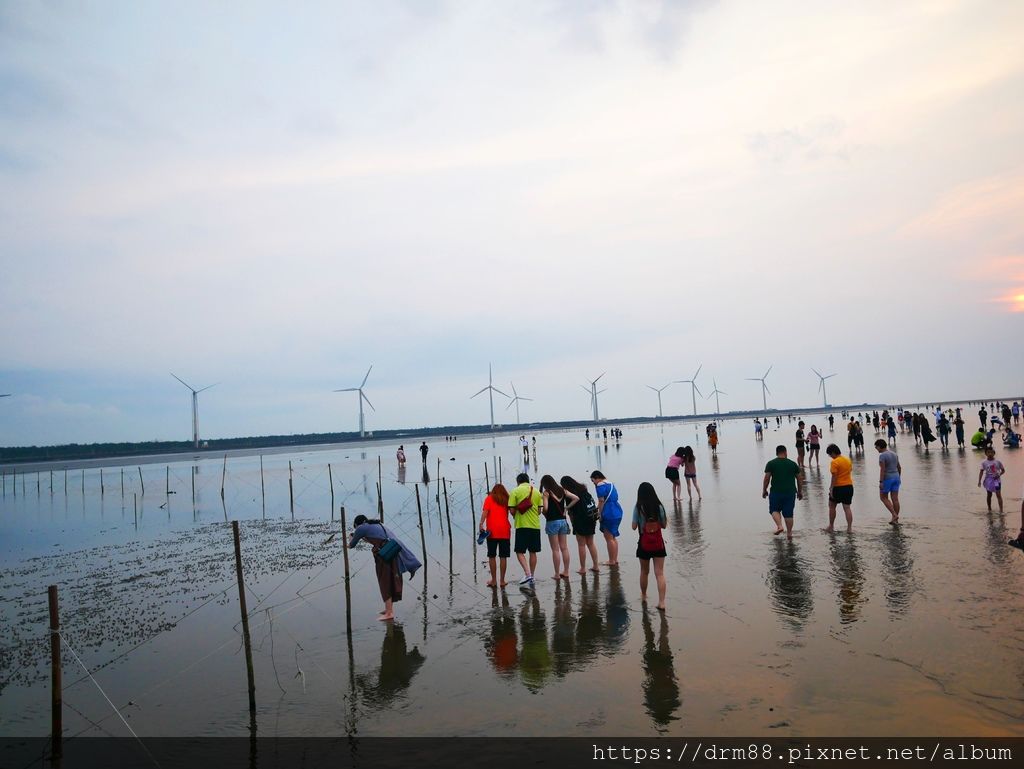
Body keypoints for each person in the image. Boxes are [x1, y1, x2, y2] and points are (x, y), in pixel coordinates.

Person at [349, 514, 422, 621]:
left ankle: (389, 613)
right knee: (390, 579)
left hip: (384, 555)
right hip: (392, 550)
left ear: (356, 524)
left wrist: (350, 538)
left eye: (356, 527)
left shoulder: (360, 528)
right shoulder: (377, 524)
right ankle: (388, 609)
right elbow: (374, 539)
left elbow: (351, 545)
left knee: (385, 581)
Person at [632, 482, 668, 611]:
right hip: (658, 542)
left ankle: (643, 595)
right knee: (659, 573)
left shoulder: (638, 507)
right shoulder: (659, 507)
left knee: (644, 571)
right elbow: (664, 525)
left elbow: (633, 526)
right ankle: (662, 602)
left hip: (644, 542)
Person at [762, 445, 804, 540]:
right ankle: (789, 534)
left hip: (776, 492)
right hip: (790, 492)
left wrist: (764, 490)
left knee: (774, 510)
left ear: (777, 453)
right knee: (788, 513)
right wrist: (800, 491)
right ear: (785, 452)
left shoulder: (771, 463)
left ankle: (780, 526)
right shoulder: (792, 464)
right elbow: (799, 478)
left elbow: (767, 478)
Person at [508, 472, 543, 587]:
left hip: (522, 525)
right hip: (535, 526)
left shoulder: (515, 491)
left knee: (519, 551)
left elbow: (512, 510)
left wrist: (516, 514)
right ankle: (531, 576)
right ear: (528, 480)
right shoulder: (537, 492)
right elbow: (539, 511)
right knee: (533, 552)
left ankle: (527, 573)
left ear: (518, 481)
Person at [561, 475, 600, 573]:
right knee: (591, 543)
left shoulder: (570, 494)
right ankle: (596, 566)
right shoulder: (583, 488)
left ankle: (583, 568)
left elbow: (571, 512)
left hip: (580, 520)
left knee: (581, 545)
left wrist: (572, 523)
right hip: (591, 518)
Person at [540, 474, 575, 580]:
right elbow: (575, 498)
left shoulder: (547, 493)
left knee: (555, 549)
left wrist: (543, 511)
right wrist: (566, 508)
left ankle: (556, 574)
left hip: (552, 522)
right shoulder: (562, 490)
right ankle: (566, 571)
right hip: (563, 521)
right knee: (564, 548)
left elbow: (545, 508)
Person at [478, 483, 512, 587]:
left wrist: (481, 523)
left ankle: (494, 580)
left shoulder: (489, 499)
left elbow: (485, 512)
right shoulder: (507, 499)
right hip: (505, 531)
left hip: (492, 532)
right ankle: (502, 581)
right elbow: (513, 512)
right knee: (503, 556)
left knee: (491, 555)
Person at [590, 470, 623, 566]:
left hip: (609, 511)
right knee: (613, 537)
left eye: (593, 481)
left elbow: (601, 500)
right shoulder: (610, 483)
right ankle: (615, 559)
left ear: (596, 478)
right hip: (617, 510)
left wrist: (599, 514)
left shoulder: (600, 485)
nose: (594, 484)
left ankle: (611, 561)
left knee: (608, 537)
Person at [825, 444, 854, 532]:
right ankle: (849, 528)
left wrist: (831, 488)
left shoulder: (835, 462)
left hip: (838, 487)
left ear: (833, 452)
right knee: (847, 508)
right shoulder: (847, 459)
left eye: (830, 455)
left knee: (832, 506)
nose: (830, 457)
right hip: (849, 486)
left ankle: (831, 526)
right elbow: (850, 470)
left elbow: (834, 476)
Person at [875, 439, 902, 525]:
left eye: (876, 447)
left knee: (883, 497)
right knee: (895, 499)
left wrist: (881, 482)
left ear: (879, 446)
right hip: (896, 477)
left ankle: (894, 515)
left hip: (888, 478)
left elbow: (882, 469)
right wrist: (898, 477)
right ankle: (895, 519)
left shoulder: (882, 456)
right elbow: (899, 467)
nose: (876, 448)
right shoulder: (894, 454)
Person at [978, 447, 1006, 513]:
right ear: (986, 453)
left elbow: (1003, 470)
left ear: (994, 453)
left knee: (998, 495)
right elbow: (981, 472)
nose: (990, 454)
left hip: (996, 480)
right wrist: (979, 481)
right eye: (988, 452)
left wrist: (999, 475)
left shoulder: (997, 462)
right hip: (988, 480)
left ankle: (1001, 510)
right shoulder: (984, 463)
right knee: (989, 495)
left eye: (991, 452)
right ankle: (989, 509)